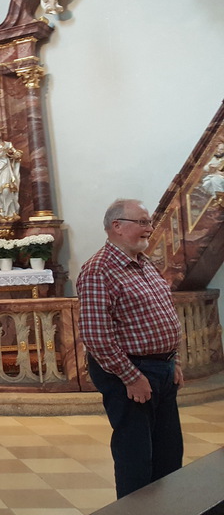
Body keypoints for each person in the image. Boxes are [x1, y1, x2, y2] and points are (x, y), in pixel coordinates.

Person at [76, 199, 184, 499]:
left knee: (169, 452)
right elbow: (96, 335)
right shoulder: (99, 270)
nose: (150, 228)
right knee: (136, 457)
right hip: (132, 372)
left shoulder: (144, 263)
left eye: (149, 222)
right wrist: (131, 377)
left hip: (161, 368)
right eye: (143, 222)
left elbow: (163, 314)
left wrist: (173, 361)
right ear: (117, 226)